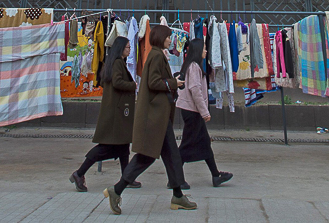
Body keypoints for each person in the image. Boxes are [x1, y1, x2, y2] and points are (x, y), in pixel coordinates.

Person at [104, 24, 196, 214]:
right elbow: (153, 82)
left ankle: (177, 195)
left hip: (159, 117)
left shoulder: (156, 54)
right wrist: (173, 82)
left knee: (171, 156)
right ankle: (117, 190)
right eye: (168, 37)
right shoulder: (155, 55)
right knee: (146, 157)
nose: (170, 40)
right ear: (160, 38)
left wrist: (172, 82)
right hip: (155, 117)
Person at [70, 37, 141, 192]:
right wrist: (133, 85)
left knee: (123, 146)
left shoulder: (115, 63)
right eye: (127, 47)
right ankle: (79, 173)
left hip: (116, 112)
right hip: (115, 114)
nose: (129, 49)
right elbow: (117, 82)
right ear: (120, 48)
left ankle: (126, 177)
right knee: (105, 148)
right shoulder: (117, 63)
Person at [177, 39, 233, 187]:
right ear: (198, 50)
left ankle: (216, 175)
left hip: (191, 110)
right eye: (204, 49)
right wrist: (204, 112)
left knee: (204, 143)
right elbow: (195, 90)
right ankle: (175, 178)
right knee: (186, 146)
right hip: (192, 111)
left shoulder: (192, 65)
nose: (206, 51)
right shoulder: (194, 67)